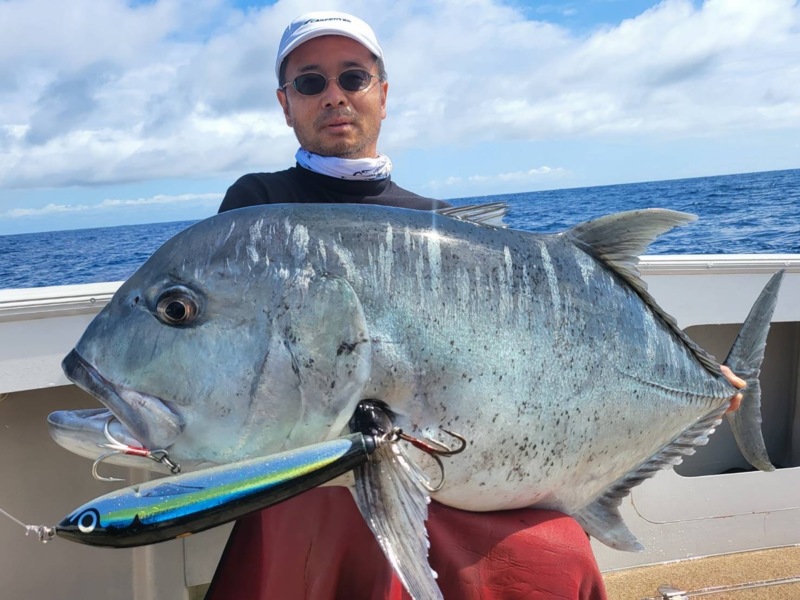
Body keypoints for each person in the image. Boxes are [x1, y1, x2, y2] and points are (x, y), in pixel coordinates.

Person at [206, 11, 746, 600]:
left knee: (555, 551)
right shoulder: (257, 208)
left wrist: (697, 380)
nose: (334, 95)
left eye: (352, 78)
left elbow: (532, 347)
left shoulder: (437, 224)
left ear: (382, 95)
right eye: (311, 82)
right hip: (328, 467)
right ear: (286, 104)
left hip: (447, 463)